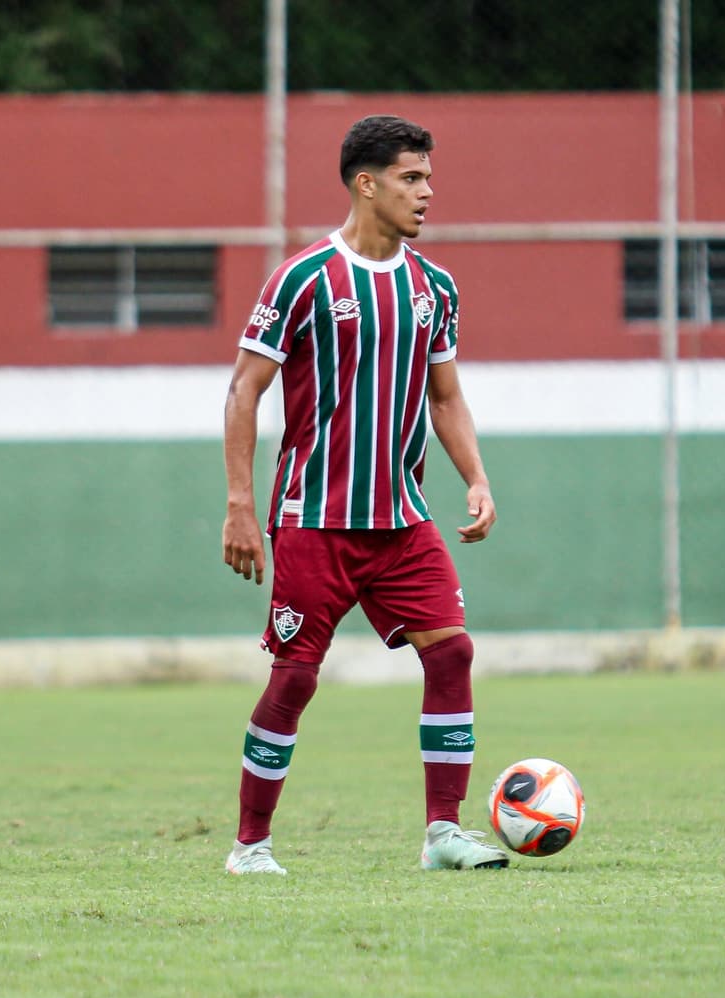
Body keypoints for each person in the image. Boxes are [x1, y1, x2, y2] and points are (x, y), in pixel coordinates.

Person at [221, 114, 508, 875]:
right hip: (314, 520)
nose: (427, 194)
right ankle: (250, 846)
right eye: (413, 179)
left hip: (402, 521)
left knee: (453, 655)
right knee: (296, 675)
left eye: (429, 179)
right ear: (366, 182)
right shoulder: (303, 278)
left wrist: (475, 476)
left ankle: (443, 833)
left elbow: (445, 398)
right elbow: (245, 389)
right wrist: (240, 504)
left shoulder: (433, 287)